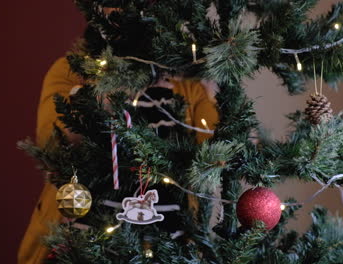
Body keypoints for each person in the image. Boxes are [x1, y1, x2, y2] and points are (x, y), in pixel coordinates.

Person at [17, 51, 219, 264]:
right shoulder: (74, 69)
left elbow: (218, 161)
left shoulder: (190, 86)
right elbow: (51, 148)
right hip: (81, 243)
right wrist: (101, 99)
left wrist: (219, 96)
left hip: (170, 248)